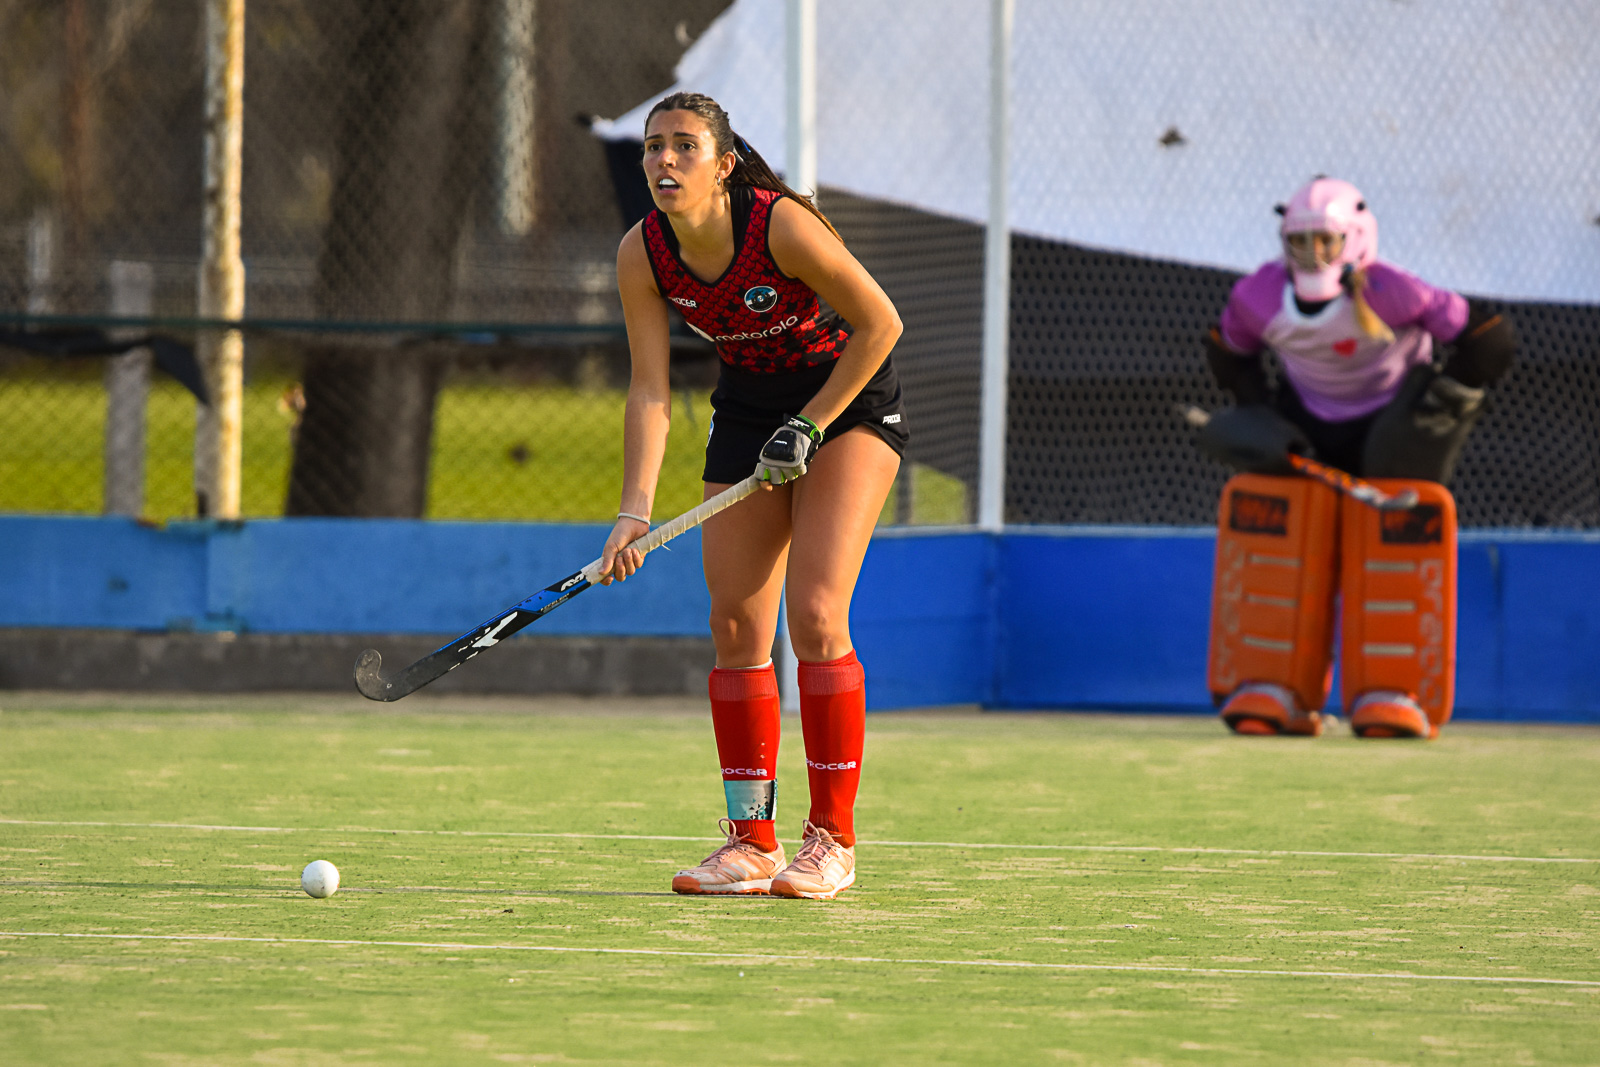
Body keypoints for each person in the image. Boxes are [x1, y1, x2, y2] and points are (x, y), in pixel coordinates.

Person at [596, 92, 906, 899]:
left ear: (724, 164)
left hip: (847, 405)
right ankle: (752, 841)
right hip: (749, 413)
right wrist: (633, 511)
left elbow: (881, 324)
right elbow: (650, 390)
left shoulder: (780, 227)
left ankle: (832, 840)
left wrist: (810, 423)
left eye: (684, 145)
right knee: (736, 625)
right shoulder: (642, 252)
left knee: (817, 614)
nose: (665, 160)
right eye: (653, 146)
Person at [1197, 176, 1515, 740]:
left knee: (1390, 544)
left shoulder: (1394, 291)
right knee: (1285, 537)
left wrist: (1447, 397)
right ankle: (1273, 685)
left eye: (1327, 240)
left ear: (1357, 238)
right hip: (1310, 424)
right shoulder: (1258, 297)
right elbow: (1230, 354)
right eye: (1301, 241)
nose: (1313, 254)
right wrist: (1259, 413)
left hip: (1394, 427)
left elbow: (1487, 338)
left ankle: (1392, 690)